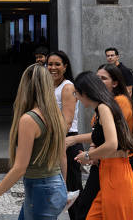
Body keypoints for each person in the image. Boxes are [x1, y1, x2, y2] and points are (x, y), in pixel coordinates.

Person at [0, 64, 67, 219]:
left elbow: (20, 168)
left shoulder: (29, 119)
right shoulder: (55, 115)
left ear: (26, 87)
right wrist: (63, 187)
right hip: (55, 184)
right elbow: (62, 156)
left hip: (40, 188)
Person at [73, 71, 133, 220]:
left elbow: (112, 144)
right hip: (109, 172)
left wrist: (88, 155)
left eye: (76, 93)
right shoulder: (104, 106)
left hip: (116, 175)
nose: (76, 98)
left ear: (85, 92)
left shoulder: (104, 107)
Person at [97, 64, 133, 220]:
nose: (98, 82)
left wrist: (87, 151)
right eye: (97, 78)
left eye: (103, 78)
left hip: (125, 160)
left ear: (115, 83)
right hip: (108, 162)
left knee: (130, 211)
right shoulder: (106, 102)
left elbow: (113, 136)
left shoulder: (120, 101)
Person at [46, 51, 82, 220]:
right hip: (54, 141)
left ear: (65, 66)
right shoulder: (49, 86)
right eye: (50, 64)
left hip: (67, 142)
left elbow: (66, 122)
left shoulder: (67, 87)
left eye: (57, 64)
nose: (53, 68)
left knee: (72, 192)